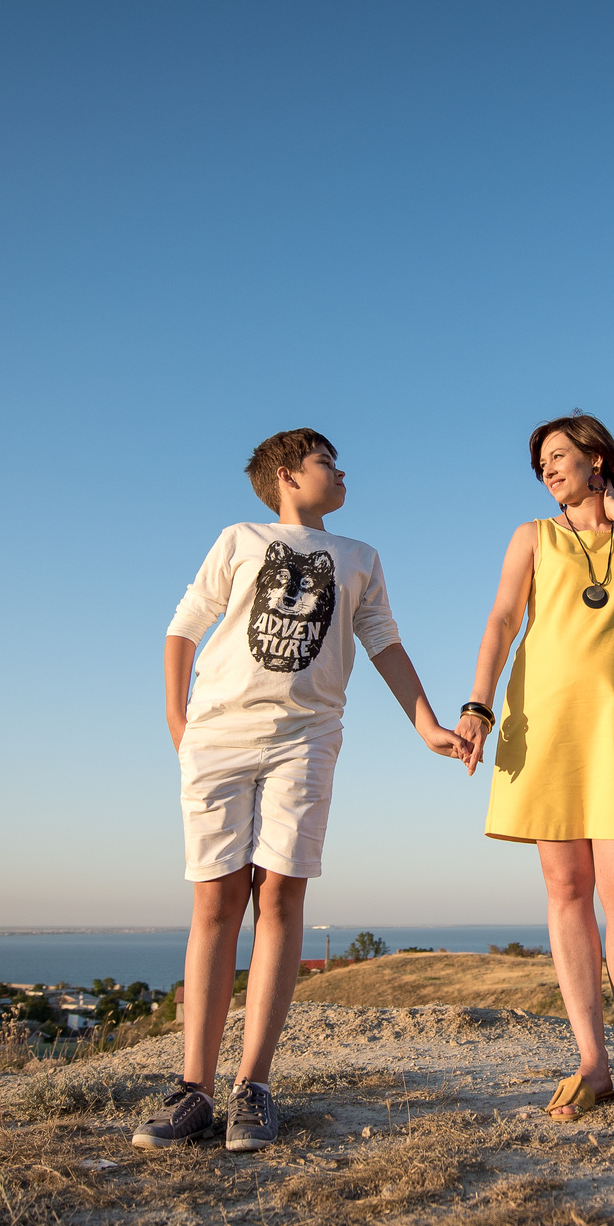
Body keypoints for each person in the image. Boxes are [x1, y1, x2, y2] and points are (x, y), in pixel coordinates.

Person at [139, 427, 465, 1152]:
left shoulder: (360, 557)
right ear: (287, 474)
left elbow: (384, 642)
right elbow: (183, 627)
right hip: (218, 734)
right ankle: (193, 1090)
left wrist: (427, 726)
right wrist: (177, 719)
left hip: (308, 738)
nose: (342, 473)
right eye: (327, 462)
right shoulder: (240, 539)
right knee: (216, 900)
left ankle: (252, 1087)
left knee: (282, 894)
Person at [453, 413, 614, 1120]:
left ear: (596, 458)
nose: (548, 470)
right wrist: (478, 706)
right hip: (547, 724)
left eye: (560, 456)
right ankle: (592, 1062)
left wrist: (612, 506)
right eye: (542, 465)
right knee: (566, 889)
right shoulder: (532, 535)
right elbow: (503, 620)